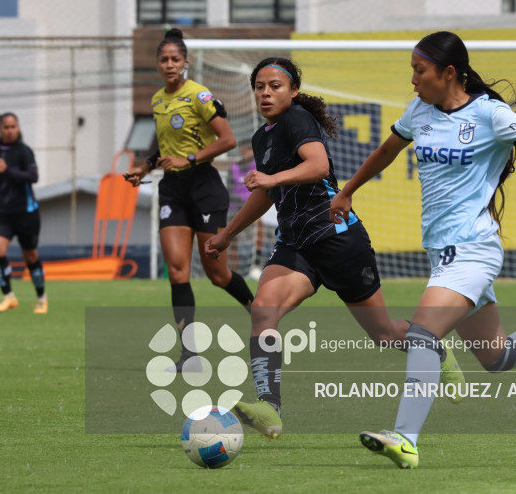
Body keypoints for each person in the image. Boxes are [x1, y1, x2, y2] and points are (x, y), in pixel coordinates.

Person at [328, 31, 516, 469]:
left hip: (472, 249)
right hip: (443, 253)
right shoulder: (420, 111)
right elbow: (386, 150)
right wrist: (347, 192)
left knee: (422, 334)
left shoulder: (490, 114)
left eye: (420, 71)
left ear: (449, 72)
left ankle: (405, 438)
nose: (413, 80)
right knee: (497, 356)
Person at [204, 57, 464, 440]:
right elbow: (266, 194)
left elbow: (318, 165)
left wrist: (272, 177)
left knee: (384, 334)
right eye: (259, 86)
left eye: (275, 85)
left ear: (293, 91)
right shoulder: (263, 137)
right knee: (263, 312)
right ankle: (269, 408)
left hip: (338, 239)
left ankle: (435, 346)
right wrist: (227, 235)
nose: (266, 92)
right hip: (297, 244)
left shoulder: (296, 120)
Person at [123, 28, 255, 372]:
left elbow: (227, 139)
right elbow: (167, 149)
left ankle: (260, 314)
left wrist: (190, 159)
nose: (169, 64)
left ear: (184, 62)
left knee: (218, 274)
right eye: (164, 59)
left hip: (205, 188)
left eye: (175, 59)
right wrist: (144, 167)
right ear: (157, 63)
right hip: (173, 191)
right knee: (178, 273)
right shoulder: (156, 100)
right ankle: (189, 356)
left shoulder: (199, 95)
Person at [0, 112, 47, 314]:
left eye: (13, 127)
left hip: (26, 212)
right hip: (2, 211)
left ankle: (41, 297)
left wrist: (8, 171)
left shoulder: (24, 151)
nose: (10, 131)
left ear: (18, 128)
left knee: (30, 256)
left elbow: (33, 176)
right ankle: (8, 296)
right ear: (0, 129)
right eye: (6, 127)